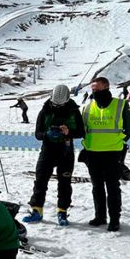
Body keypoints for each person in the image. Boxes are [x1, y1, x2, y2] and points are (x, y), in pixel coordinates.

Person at [81, 76, 130, 232]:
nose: (94, 91)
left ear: (106, 87)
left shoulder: (121, 105)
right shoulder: (87, 107)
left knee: (112, 187)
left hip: (113, 153)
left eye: (97, 88)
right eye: (92, 89)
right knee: (97, 187)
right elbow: (82, 128)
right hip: (92, 154)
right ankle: (100, 216)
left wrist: (119, 140)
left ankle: (114, 220)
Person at [26, 84, 85, 226]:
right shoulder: (45, 110)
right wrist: (46, 134)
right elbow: (38, 134)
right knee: (40, 180)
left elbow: (81, 132)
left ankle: (62, 211)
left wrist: (68, 133)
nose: (57, 106)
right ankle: (37, 209)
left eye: (61, 105)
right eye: (55, 104)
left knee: (64, 182)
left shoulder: (74, 111)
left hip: (66, 150)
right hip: (47, 150)